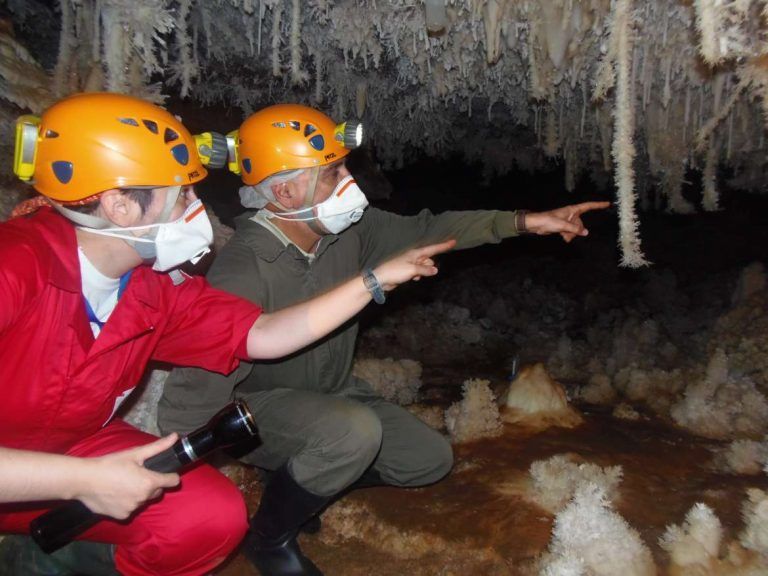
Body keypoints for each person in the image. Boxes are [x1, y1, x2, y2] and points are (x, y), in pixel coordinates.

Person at [0, 93, 452, 576]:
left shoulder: (153, 288)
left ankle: (48, 556)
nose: (199, 210)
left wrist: (375, 280)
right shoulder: (14, 268)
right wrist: (83, 478)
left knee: (210, 517)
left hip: (67, 450)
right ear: (119, 205)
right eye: (184, 194)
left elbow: (262, 335)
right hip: (35, 466)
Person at [157, 103, 611, 576]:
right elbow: (200, 375)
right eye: (332, 172)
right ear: (287, 191)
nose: (349, 181)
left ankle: (299, 481)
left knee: (427, 460)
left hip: (330, 396)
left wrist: (525, 221)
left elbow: (428, 229)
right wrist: (180, 464)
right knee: (353, 433)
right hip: (259, 409)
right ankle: (270, 538)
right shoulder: (244, 267)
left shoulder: (346, 233)